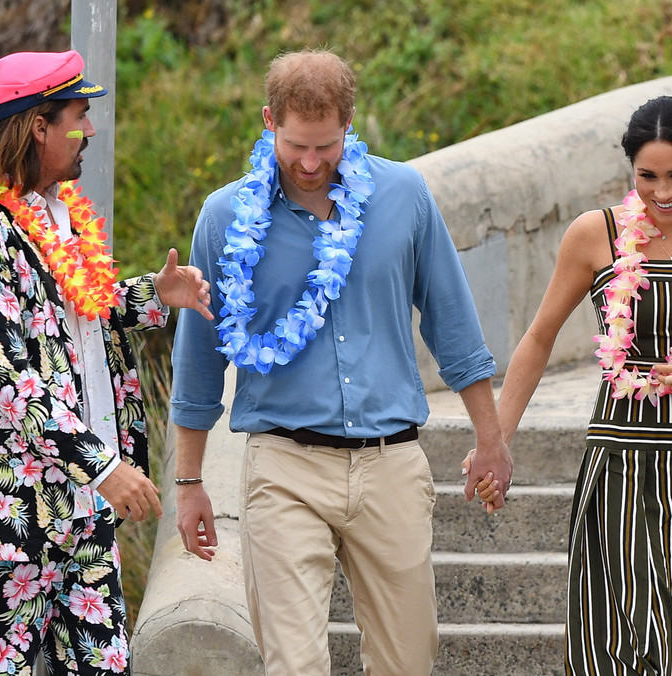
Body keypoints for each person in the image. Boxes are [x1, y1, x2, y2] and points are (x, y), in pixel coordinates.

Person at [168, 48, 512, 676]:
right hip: (284, 466)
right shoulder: (224, 218)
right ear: (268, 120)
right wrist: (189, 483)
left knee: (409, 660)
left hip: (391, 463)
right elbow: (198, 362)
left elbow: (453, 324)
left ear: (350, 126)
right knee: (293, 666)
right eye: (296, 144)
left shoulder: (403, 195)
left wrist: (490, 439)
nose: (309, 163)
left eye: (325, 147)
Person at [471, 95, 672, 675]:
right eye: (647, 176)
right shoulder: (592, 235)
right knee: (619, 637)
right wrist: (498, 440)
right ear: (630, 171)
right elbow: (539, 338)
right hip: (621, 460)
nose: (663, 191)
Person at [0, 50, 213, 675]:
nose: (91, 131)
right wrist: (104, 468)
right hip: (3, 512)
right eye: (80, 116)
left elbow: (72, 317)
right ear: (36, 126)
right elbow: (8, 375)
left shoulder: (59, 210)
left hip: (81, 506)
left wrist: (152, 296)